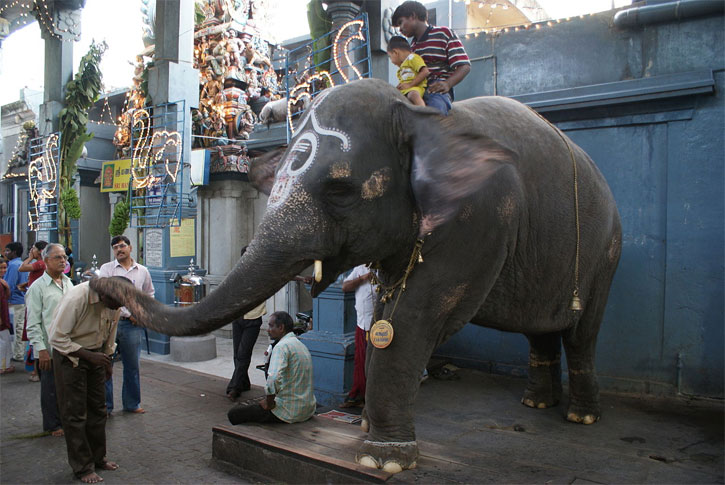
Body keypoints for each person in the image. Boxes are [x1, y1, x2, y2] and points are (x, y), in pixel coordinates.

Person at [49, 277, 130, 483]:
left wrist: (107, 360)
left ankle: (98, 457)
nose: (118, 308)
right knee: (75, 413)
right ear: (103, 295)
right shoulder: (77, 298)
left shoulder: (115, 300)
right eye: (115, 304)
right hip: (70, 356)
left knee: (98, 409)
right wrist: (87, 355)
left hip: (97, 355)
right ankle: (82, 467)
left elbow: (110, 333)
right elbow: (56, 337)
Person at [98, 235, 155, 415]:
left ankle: (132, 404)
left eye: (122, 246)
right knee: (106, 364)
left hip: (132, 326)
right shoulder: (106, 270)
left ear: (130, 248)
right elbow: (104, 295)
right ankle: (106, 406)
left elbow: (149, 295)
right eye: (115, 247)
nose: (119, 250)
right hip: (110, 324)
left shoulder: (142, 271)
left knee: (132, 366)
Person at [228, 311, 316, 425]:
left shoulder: (281, 347)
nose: (268, 329)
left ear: (281, 328)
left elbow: (273, 378)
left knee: (234, 413)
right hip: (307, 409)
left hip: (288, 412)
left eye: (270, 326)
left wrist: (269, 403)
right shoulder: (300, 345)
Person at [25, 243, 72, 437]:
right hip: (48, 348)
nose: (63, 261)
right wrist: (41, 350)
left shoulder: (69, 283)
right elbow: (33, 322)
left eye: (64, 257)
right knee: (50, 388)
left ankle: (66, 419)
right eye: (58, 258)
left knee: (67, 387)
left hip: (68, 346)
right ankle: (52, 424)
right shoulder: (38, 288)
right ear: (45, 262)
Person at [392, 0, 471, 115]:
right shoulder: (412, 47)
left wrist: (447, 84)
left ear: (413, 16)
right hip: (416, 87)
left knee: (435, 114)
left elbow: (464, 66)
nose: (400, 29)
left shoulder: (443, 33)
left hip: (436, 88)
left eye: (401, 22)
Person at [226, 247, 267, 401]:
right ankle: (244, 382)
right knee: (237, 354)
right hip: (238, 318)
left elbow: (283, 275)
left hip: (253, 319)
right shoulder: (237, 273)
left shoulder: (264, 274)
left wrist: (303, 279)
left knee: (243, 354)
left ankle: (234, 387)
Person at [339, 265, 376, 408]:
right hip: (362, 324)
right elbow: (345, 286)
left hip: (378, 325)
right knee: (360, 361)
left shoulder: (383, 270)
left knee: (372, 362)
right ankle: (357, 395)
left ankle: (371, 397)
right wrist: (363, 278)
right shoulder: (360, 269)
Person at [19, 240, 48, 382]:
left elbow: (22, 268)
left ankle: (36, 371)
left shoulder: (40, 263)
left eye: (34, 249)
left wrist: (30, 258)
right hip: (34, 298)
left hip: (37, 304)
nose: (32, 251)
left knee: (35, 333)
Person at [387, 35, 429, 107]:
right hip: (405, 90)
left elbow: (425, 71)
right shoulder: (401, 68)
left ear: (395, 52)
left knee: (413, 95)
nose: (391, 61)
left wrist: (410, 84)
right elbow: (404, 81)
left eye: (390, 57)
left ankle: (423, 111)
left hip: (415, 88)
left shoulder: (413, 58)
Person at [4, 242, 29, 363]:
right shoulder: (22, 264)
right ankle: (18, 352)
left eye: (7, 251)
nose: (5, 253)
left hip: (14, 301)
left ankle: (17, 353)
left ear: (14, 252)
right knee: (19, 327)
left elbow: (9, 284)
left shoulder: (13, 266)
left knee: (15, 329)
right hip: (21, 300)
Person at [0, 258, 14, 375]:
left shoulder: (2, 282)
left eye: (5, 267)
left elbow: (6, 297)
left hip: (4, 315)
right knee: (4, 341)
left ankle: (5, 364)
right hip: (1, 317)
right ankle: (3, 366)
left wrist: (7, 287)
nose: (3, 270)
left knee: (5, 340)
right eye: (1, 268)